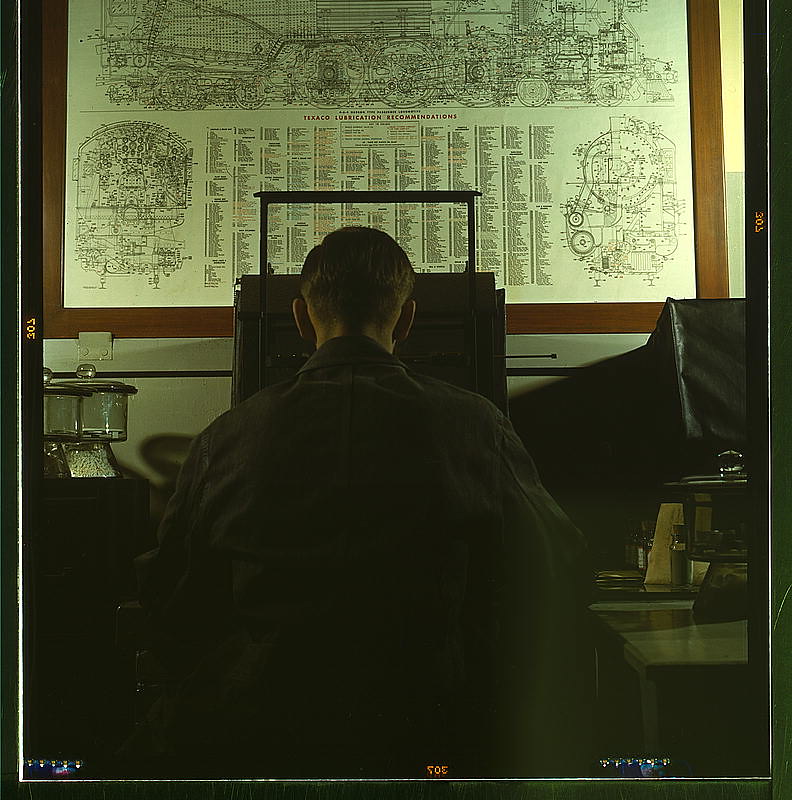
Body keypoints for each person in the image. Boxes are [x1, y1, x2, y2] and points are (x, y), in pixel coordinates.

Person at [124, 226, 592, 779]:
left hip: (261, 731)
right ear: (408, 319)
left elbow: (172, 602)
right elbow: (558, 569)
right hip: (426, 732)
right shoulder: (475, 425)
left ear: (300, 318)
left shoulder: (226, 438)